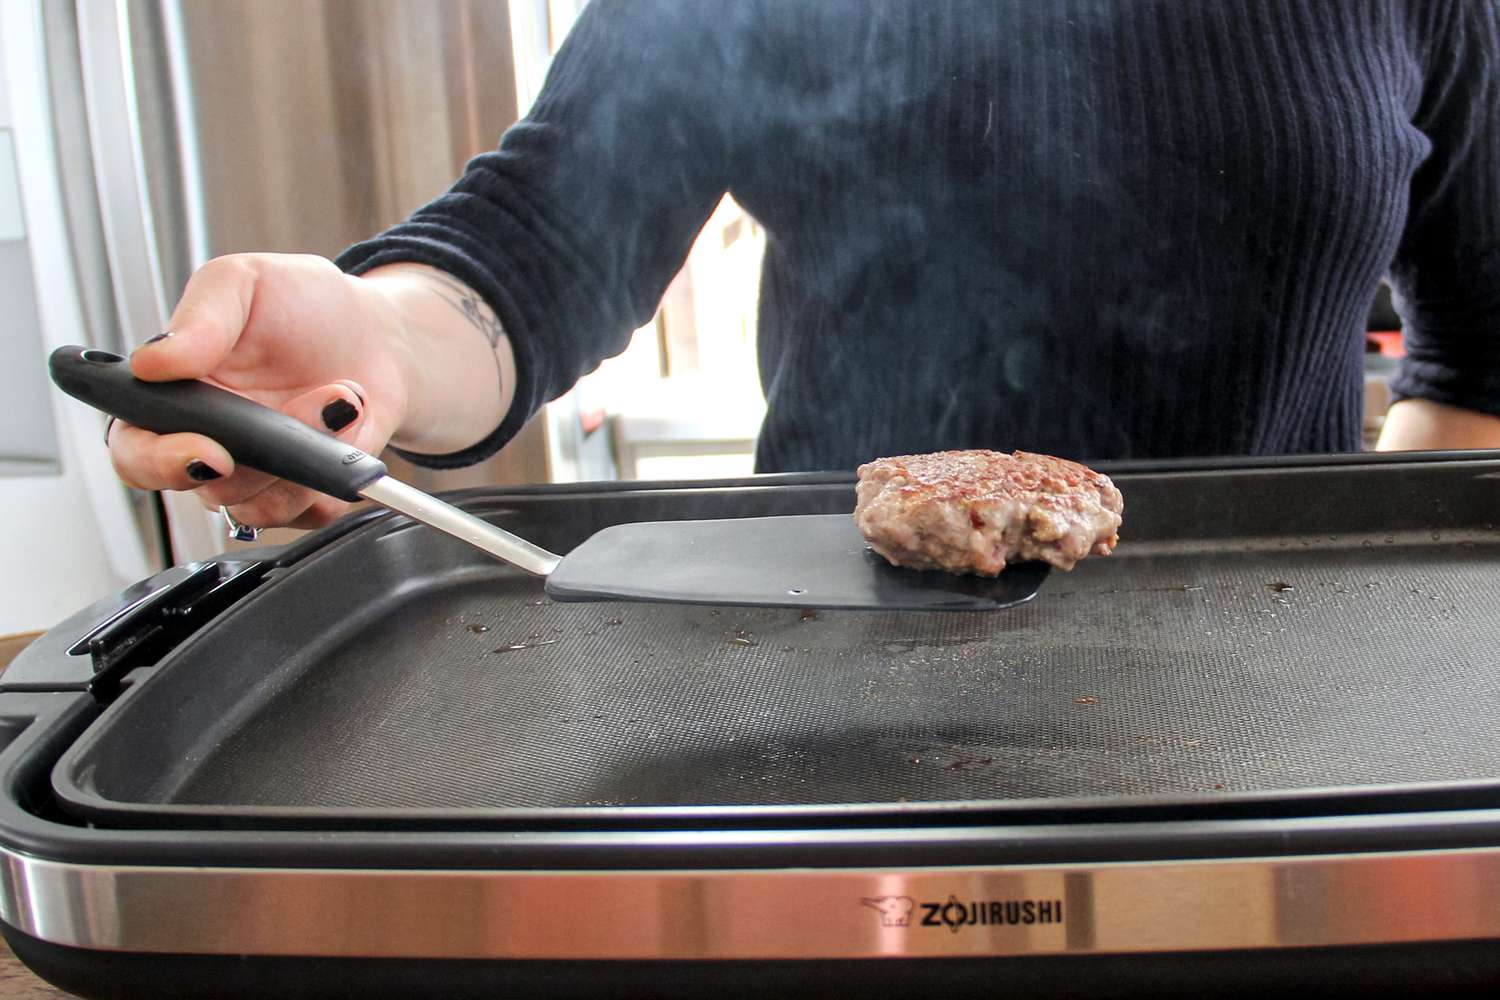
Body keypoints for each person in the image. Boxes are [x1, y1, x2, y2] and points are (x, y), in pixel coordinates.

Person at [108, 0, 1500, 531]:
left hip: (1275, 692)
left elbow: (1485, 357)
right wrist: (364, 346)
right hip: (832, 669)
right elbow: (530, 252)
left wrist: (1358, 588)